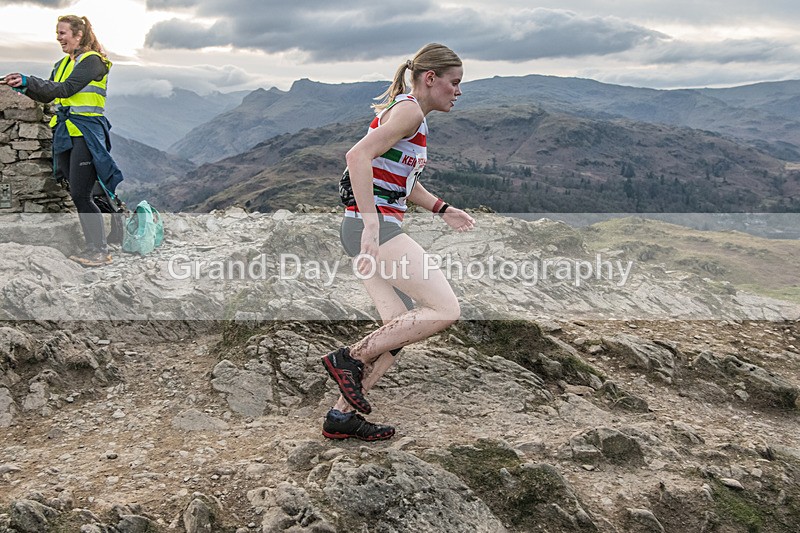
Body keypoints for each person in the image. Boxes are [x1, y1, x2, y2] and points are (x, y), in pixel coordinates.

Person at [321, 43, 476, 441]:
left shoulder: (413, 116)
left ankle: (342, 417)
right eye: (454, 83)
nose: (458, 91)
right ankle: (348, 358)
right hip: (373, 230)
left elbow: (402, 182)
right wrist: (373, 225)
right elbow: (357, 156)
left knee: (399, 327)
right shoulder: (408, 111)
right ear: (431, 78)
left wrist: (443, 209)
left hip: (360, 228)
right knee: (444, 309)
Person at [3, 15, 124, 267]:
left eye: (62, 33)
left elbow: (66, 89)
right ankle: (99, 242)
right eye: (57, 33)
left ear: (78, 35)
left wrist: (29, 80)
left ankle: (99, 250)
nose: (58, 38)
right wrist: (23, 87)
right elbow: (50, 95)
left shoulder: (93, 62)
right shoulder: (61, 64)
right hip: (67, 133)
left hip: (87, 133)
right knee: (77, 191)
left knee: (81, 193)